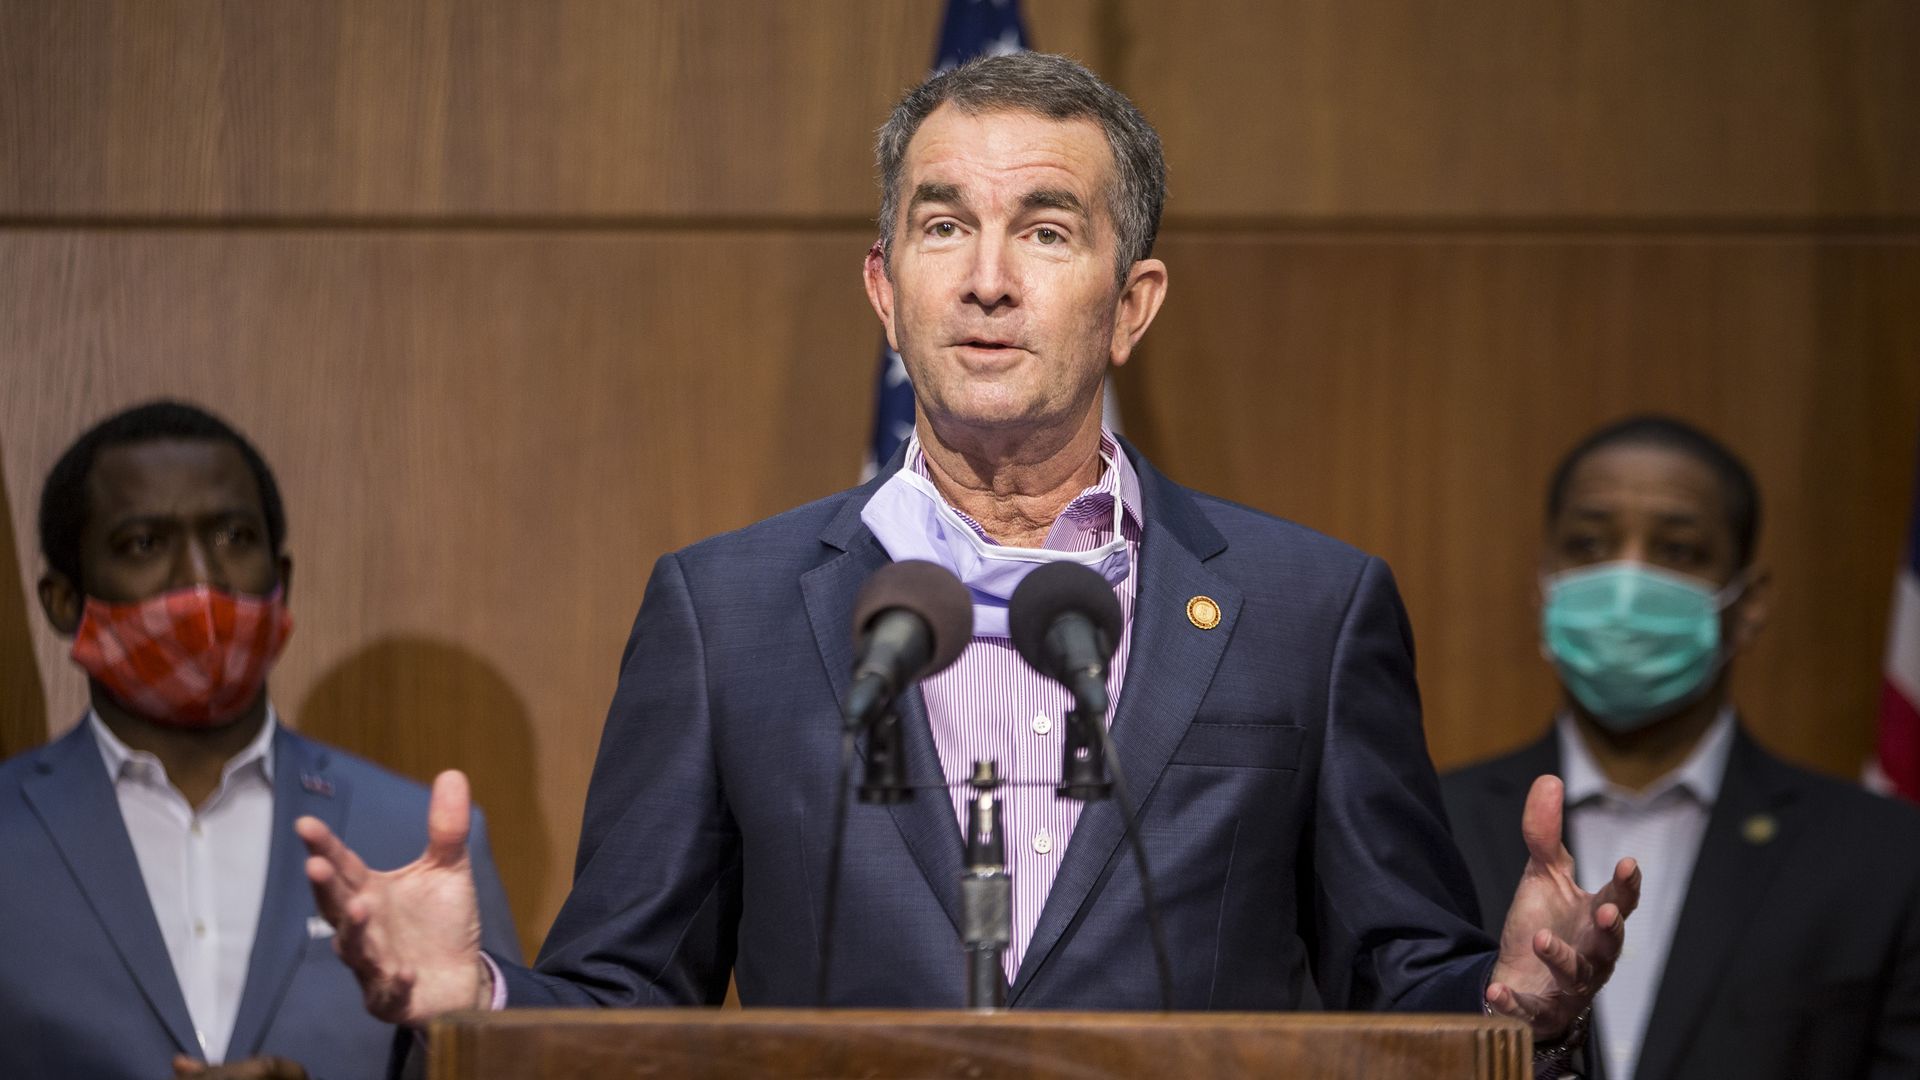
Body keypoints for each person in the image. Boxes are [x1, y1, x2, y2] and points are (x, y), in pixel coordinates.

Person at [300, 52, 1635, 1063]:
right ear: (886, 288)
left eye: (1046, 231)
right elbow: (624, 1006)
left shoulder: (1307, 608)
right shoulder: (728, 612)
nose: (986, 277)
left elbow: (1405, 990)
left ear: (1131, 303)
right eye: (943, 226)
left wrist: (1512, 1007)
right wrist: (467, 1003)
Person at [0, 401, 521, 1080]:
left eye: (234, 537)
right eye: (143, 544)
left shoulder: (417, 841)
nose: (200, 581)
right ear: (63, 600)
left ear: (284, 580)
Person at [1442, 415, 1920, 1079]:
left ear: (1748, 604)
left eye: (1679, 551)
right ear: (1544, 587)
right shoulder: (1429, 828)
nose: (1627, 586)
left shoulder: (1886, 856)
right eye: (1589, 544)